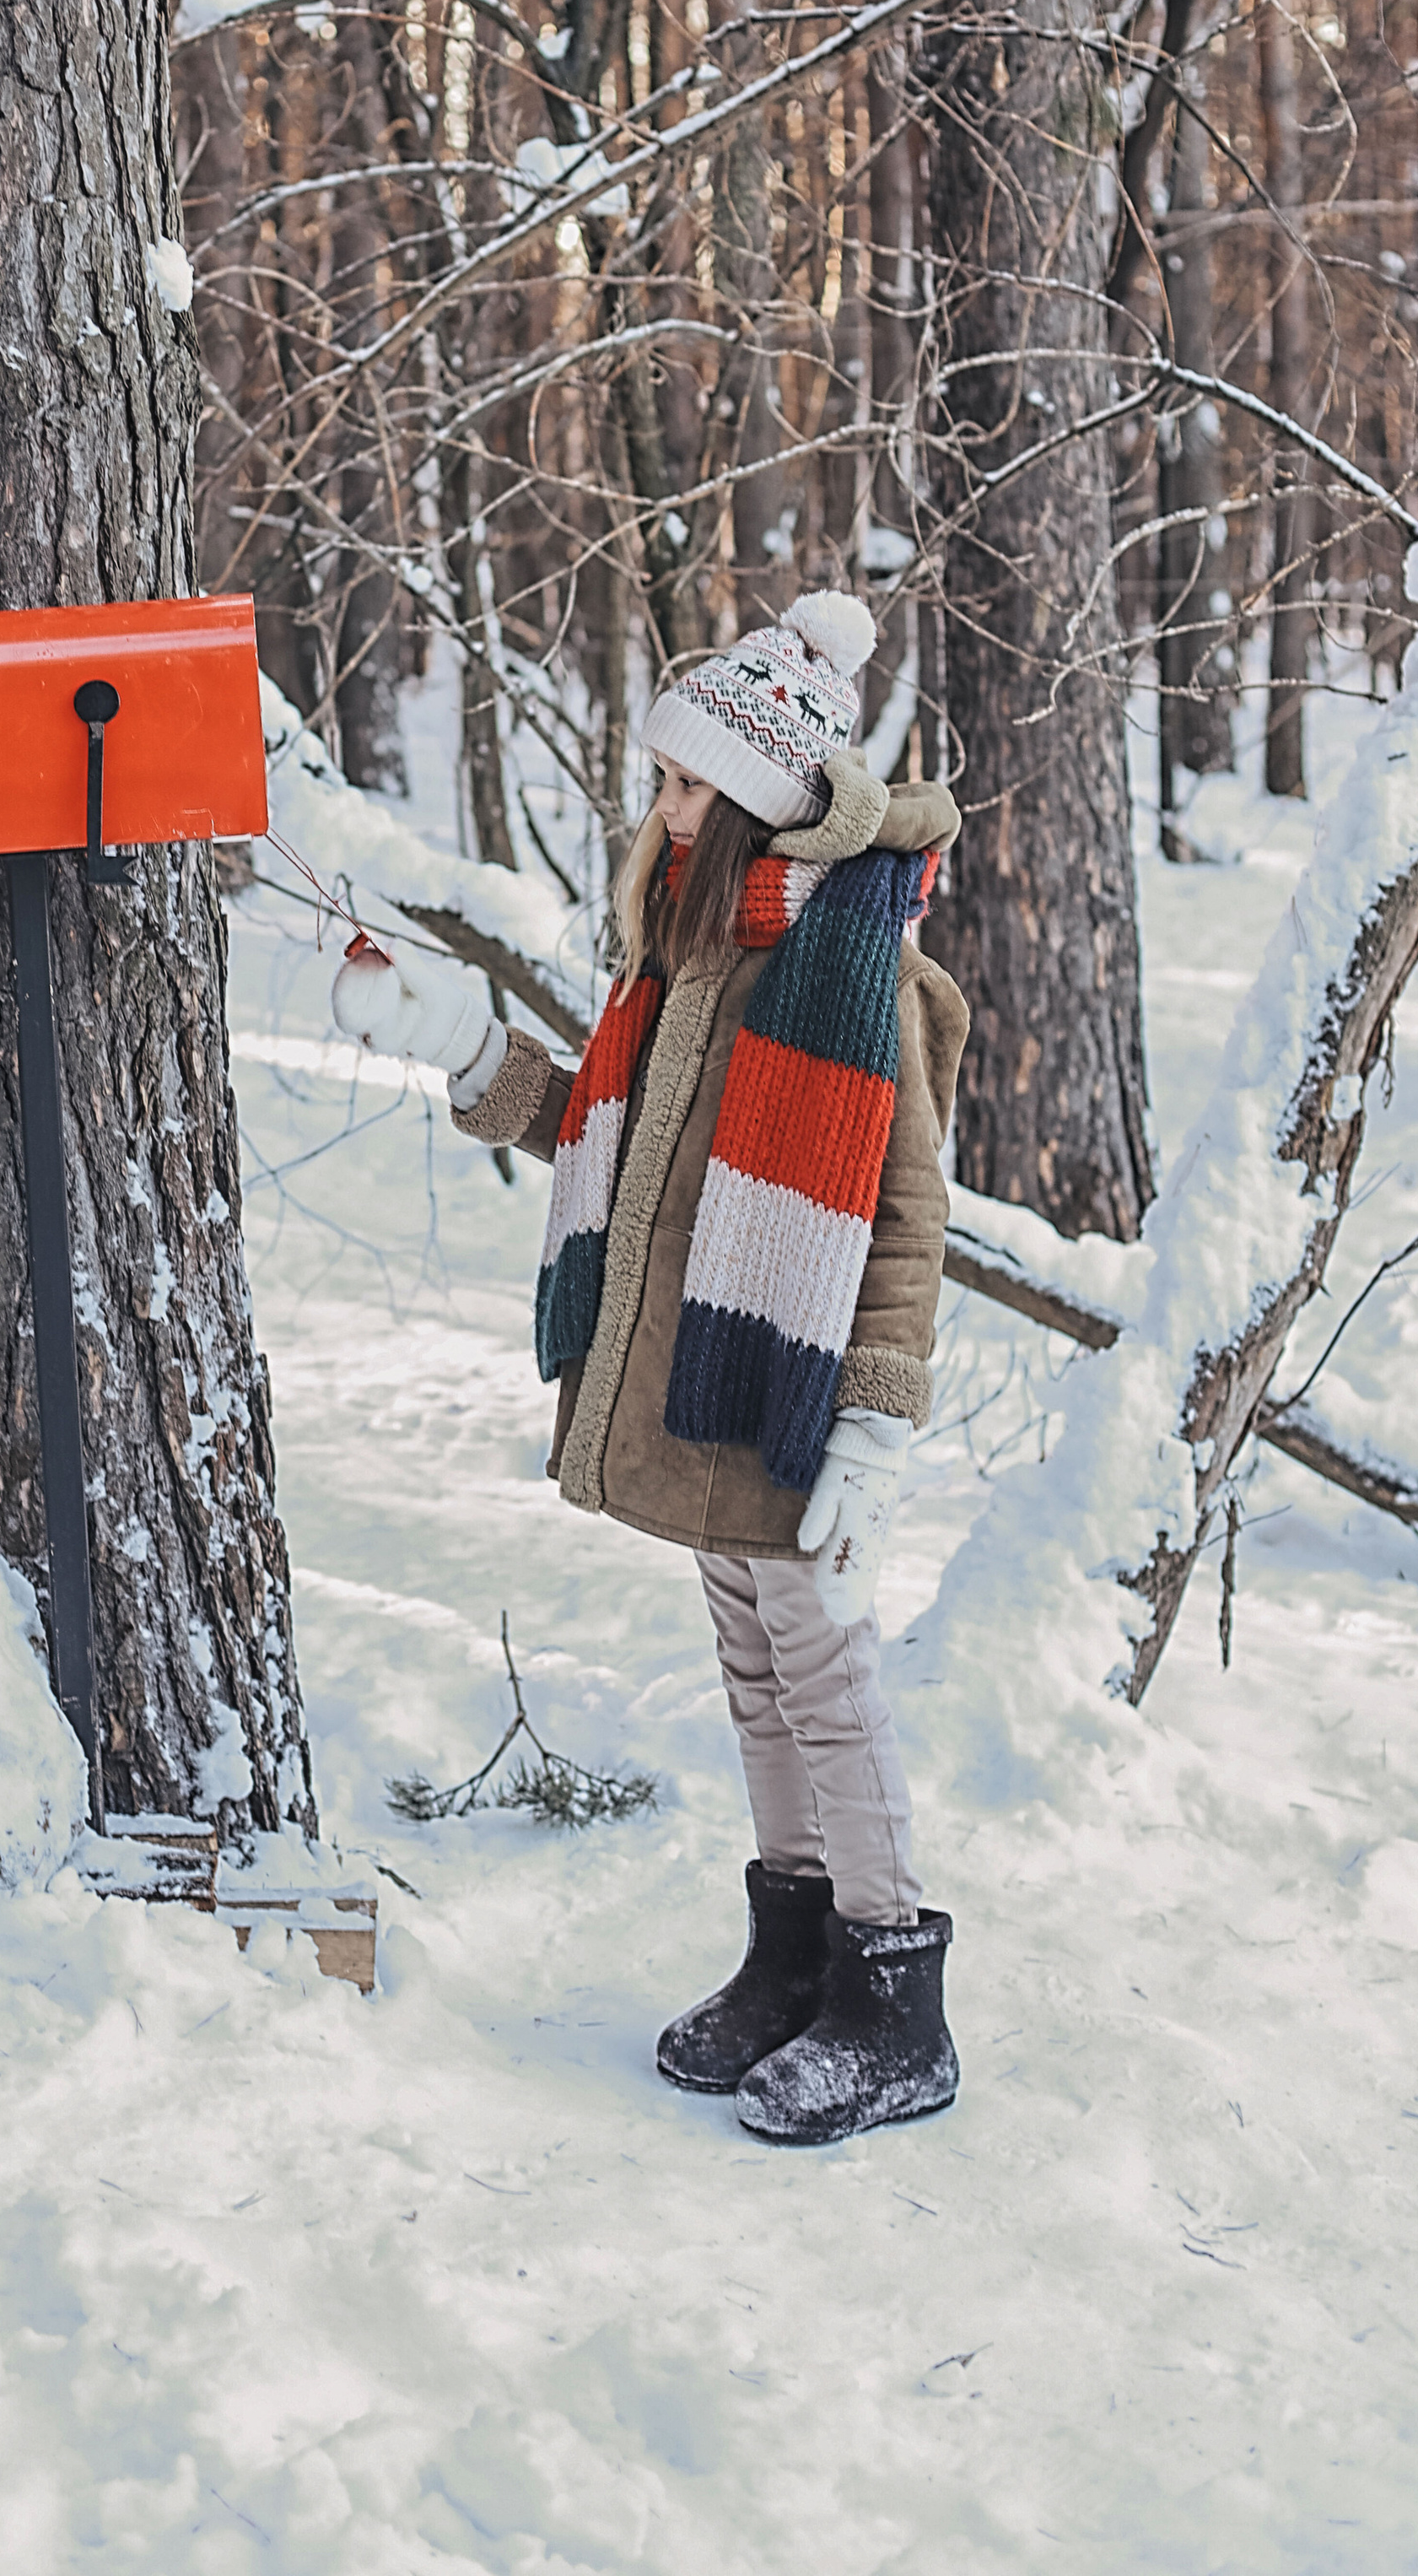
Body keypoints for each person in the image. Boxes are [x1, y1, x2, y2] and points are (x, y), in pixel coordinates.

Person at [331, 591, 969, 2145]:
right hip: (697, 1385)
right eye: (667, 782)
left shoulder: (847, 971)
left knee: (826, 1675)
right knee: (759, 1677)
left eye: (688, 786)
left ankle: (897, 2002)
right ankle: (795, 1959)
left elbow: (903, 1216)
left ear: (759, 800)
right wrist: (474, 1059)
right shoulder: (681, 958)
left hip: (792, 1388)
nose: (663, 808)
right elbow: (611, 1140)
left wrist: (879, 1425)